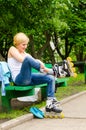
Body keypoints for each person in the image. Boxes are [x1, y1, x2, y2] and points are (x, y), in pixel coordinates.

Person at [7, 32, 62, 113]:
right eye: (23, 44)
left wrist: (40, 63)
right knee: (28, 59)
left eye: (26, 44)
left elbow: (35, 61)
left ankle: (50, 104)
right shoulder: (12, 49)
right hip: (19, 79)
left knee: (50, 78)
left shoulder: (25, 54)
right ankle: (52, 72)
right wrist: (37, 62)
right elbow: (22, 59)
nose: (25, 47)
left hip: (29, 77)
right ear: (17, 43)